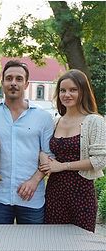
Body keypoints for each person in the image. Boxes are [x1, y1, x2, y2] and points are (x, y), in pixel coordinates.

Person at [0, 60, 53, 224]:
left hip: (32, 197)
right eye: (9, 78)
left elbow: (49, 155)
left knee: (32, 247)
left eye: (19, 79)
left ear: (26, 84)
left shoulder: (43, 118)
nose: (13, 83)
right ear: (2, 82)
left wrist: (35, 181)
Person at [39, 69, 106, 232]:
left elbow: (100, 160)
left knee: (81, 246)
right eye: (63, 90)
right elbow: (45, 149)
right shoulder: (55, 122)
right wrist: (42, 156)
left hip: (81, 193)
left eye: (73, 90)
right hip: (55, 192)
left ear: (83, 91)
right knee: (52, 243)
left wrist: (62, 166)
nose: (67, 94)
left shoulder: (94, 121)